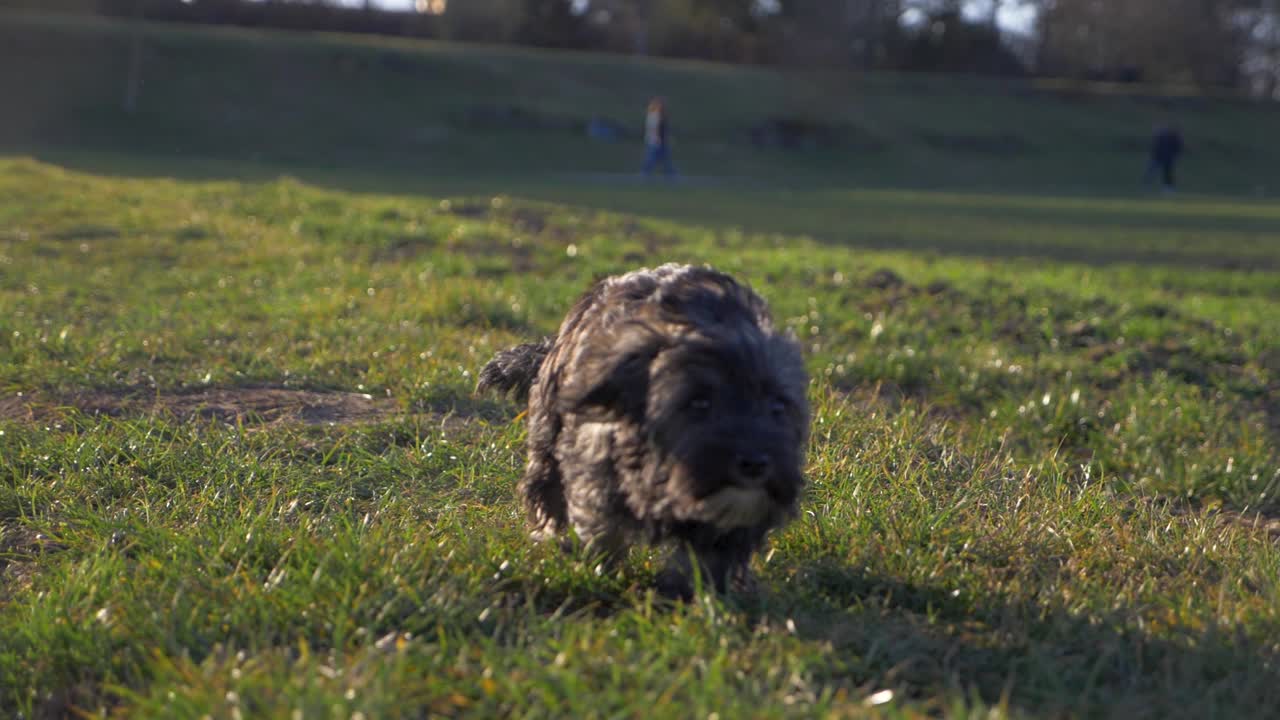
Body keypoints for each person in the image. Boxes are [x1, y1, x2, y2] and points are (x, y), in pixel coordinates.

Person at [642, 97, 676, 178]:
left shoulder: (659, 115)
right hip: (655, 141)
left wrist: (666, 138)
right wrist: (657, 139)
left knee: (665, 159)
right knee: (652, 159)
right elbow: (655, 129)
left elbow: (663, 129)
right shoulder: (654, 115)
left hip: (659, 141)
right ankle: (644, 173)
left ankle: (671, 174)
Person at [1145, 123, 1184, 192]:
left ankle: (1167, 187)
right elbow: (1156, 148)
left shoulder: (1171, 138)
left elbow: (1177, 149)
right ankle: (1148, 185)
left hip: (1166, 158)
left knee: (1165, 172)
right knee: (1153, 171)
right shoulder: (1164, 138)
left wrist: (1175, 156)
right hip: (1160, 157)